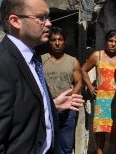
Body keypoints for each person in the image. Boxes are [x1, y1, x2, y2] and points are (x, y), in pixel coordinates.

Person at [0, 0, 84, 154]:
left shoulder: (31, 58)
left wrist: (51, 106)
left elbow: (19, 112)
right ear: (15, 21)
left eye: (48, 17)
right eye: (41, 18)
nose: (49, 23)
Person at [41, 26, 82, 154]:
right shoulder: (41, 60)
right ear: (49, 42)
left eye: (60, 40)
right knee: (46, 145)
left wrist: (70, 99)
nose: (57, 43)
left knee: (66, 147)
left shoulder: (72, 61)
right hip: (47, 108)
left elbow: (79, 82)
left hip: (67, 111)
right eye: (53, 40)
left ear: (65, 41)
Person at [82, 30, 116, 154]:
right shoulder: (97, 55)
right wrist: (90, 86)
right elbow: (83, 70)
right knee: (100, 131)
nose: (113, 44)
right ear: (105, 42)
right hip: (101, 100)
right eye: (110, 41)